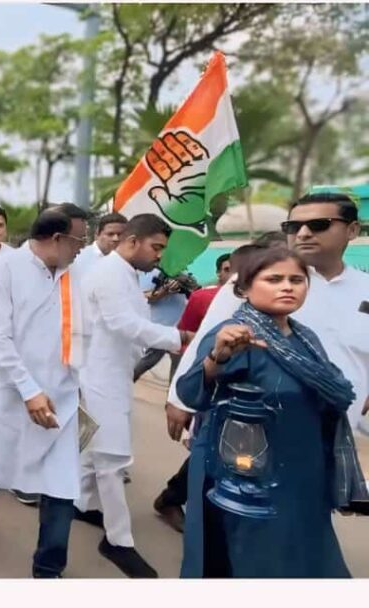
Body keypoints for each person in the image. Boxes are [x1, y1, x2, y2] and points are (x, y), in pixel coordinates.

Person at [176, 247, 367, 577]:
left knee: (307, 557)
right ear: (245, 288)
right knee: (254, 564)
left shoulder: (304, 339)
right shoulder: (235, 335)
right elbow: (190, 394)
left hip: (304, 472)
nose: (288, 287)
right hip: (248, 479)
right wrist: (215, 359)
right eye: (274, 279)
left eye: (297, 279)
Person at [0, 206, 88, 579]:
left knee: (62, 486)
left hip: (62, 400)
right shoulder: (4, 271)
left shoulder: (76, 274)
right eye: (78, 240)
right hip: (13, 398)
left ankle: (47, 569)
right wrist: (28, 390)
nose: (82, 248)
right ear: (57, 239)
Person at [166, 193, 368, 435]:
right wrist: (179, 400)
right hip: (255, 422)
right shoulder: (253, 282)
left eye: (318, 225)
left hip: (341, 425)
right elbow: (209, 337)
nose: (303, 234)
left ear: (352, 230)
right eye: (293, 227)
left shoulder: (364, 286)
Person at [73, 213, 190, 578]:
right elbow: (123, 323)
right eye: (156, 247)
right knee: (112, 460)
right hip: (100, 378)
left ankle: (82, 504)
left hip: (112, 375)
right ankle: (118, 542)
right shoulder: (108, 274)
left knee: (94, 454)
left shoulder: (125, 274)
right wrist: (178, 339)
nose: (159, 255)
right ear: (132, 240)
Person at [154, 248, 252, 533]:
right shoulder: (213, 298)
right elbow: (196, 345)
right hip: (218, 395)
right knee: (209, 454)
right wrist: (180, 399)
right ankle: (177, 501)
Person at [132, 269, 190, 382]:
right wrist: (165, 290)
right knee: (139, 367)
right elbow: (142, 297)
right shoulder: (151, 272)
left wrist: (187, 286)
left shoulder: (183, 275)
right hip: (155, 328)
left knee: (177, 373)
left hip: (176, 330)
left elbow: (192, 296)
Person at [74, 212, 126, 276]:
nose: (116, 239)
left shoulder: (128, 260)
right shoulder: (79, 259)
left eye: (120, 234)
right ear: (97, 234)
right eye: (110, 234)